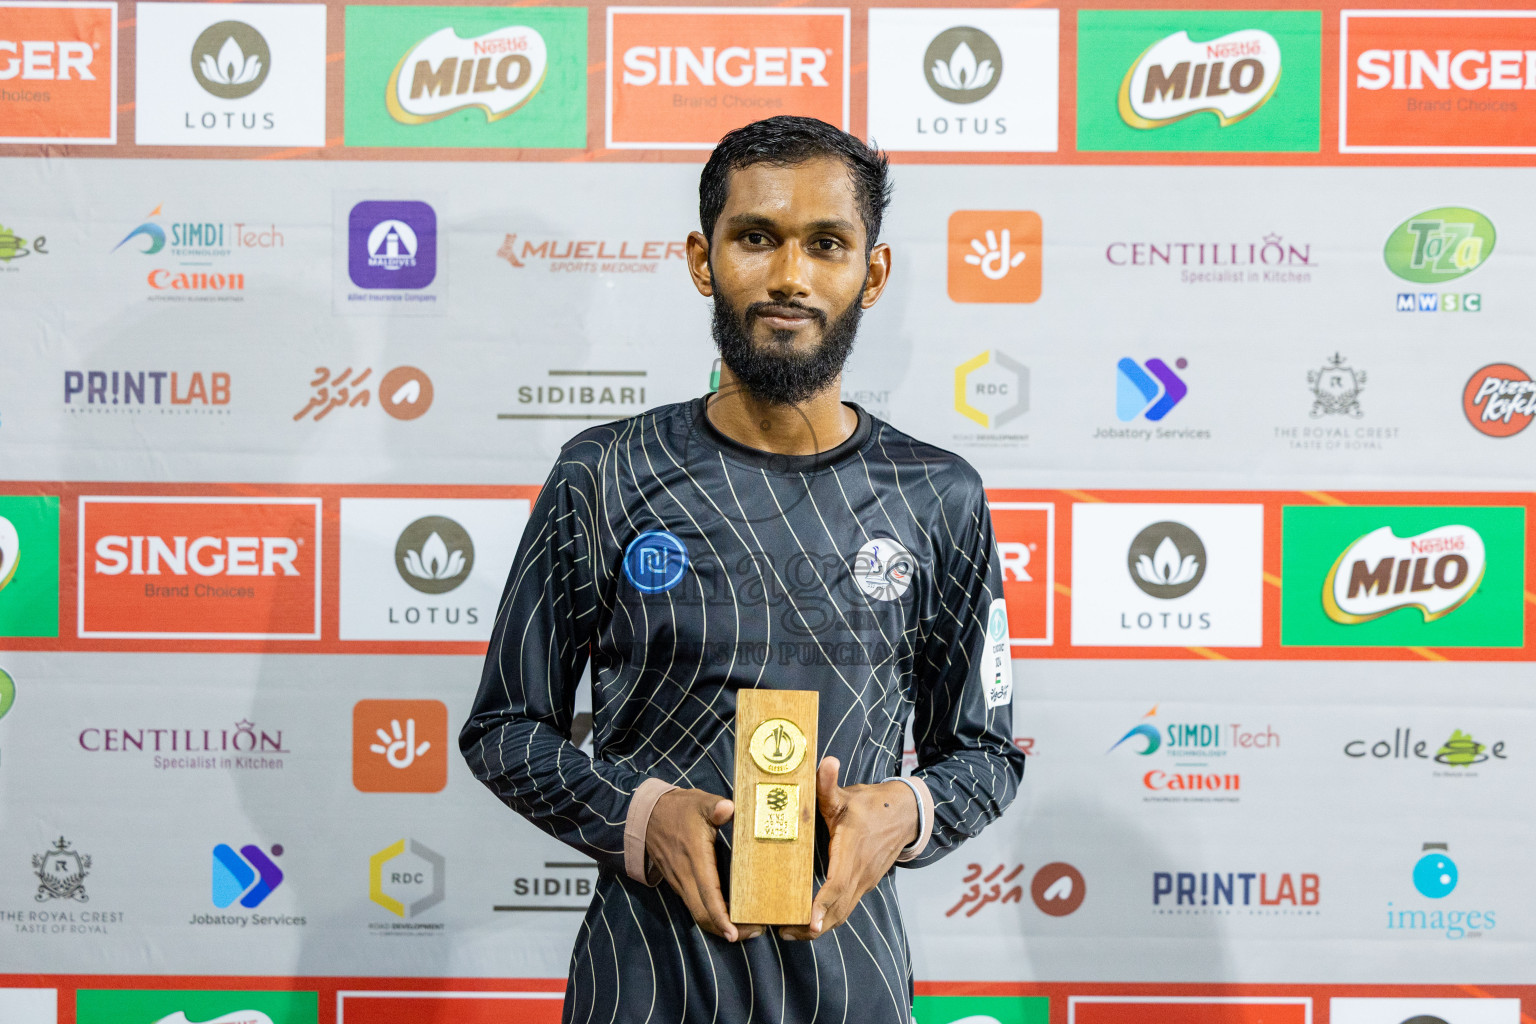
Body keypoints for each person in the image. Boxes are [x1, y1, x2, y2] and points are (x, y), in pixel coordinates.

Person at [461, 115, 1026, 1023]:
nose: (790, 276)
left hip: (852, 983)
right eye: (756, 238)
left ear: (871, 274)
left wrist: (903, 813)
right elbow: (503, 728)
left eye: (827, 244)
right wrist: (643, 816)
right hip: (644, 981)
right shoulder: (604, 473)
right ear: (701, 258)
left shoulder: (938, 496)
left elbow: (986, 754)